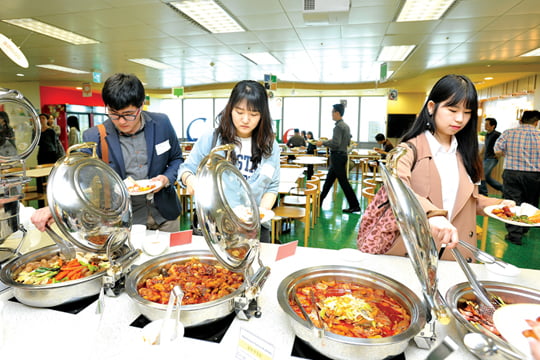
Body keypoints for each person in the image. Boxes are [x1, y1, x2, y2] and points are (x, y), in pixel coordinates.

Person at [32, 73, 183, 233]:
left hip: (167, 214)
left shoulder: (161, 124)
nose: (121, 121)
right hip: (124, 219)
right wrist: (56, 206)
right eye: (114, 114)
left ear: (140, 107)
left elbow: (176, 159)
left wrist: (166, 178)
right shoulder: (94, 136)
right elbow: (77, 176)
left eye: (128, 114)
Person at [388, 74, 515, 261]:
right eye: (452, 110)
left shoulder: (467, 154)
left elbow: (468, 202)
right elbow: (397, 191)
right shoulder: (408, 150)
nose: (460, 119)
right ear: (431, 107)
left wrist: (499, 205)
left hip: (457, 252)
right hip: (418, 252)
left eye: (467, 112)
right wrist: (432, 214)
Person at [178, 80, 280, 243]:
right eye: (239, 112)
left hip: (253, 230)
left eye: (254, 114)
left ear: (263, 115)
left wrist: (260, 213)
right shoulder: (211, 139)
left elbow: (272, 187)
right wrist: (192, 180)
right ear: (230, 109)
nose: (245, 119)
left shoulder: (270, 146)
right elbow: (185, 169)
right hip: (215, 227)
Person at [494, 110, 540, 245]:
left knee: (513, 202)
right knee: (530, 202)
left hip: (512, 172)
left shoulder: (509, 132)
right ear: (536, 122)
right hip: (534, 175)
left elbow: (497, 150)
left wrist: (507, 154)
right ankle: (525, 227)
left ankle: (514, 234)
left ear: (521, 120)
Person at [316, 104, 360, 213]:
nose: (331, 114)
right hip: (341, 155)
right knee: (328, 180)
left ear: (337, 113)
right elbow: (347, 142)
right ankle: (319, 201)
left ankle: (355, 205)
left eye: (332, 112)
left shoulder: (338, 127)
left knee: (343, 182)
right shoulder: (346, 126)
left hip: (337, 156)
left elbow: (335, 144)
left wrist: (323, 143)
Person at [478, 117, 503, 195]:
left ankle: (483, 193)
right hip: (486, 158)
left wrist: (499, 155)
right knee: (487, 178)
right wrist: (479, 155)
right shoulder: (487, 134)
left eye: (487, 124)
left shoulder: (497, 134)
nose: (485, 126)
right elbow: (485, 147)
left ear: (493, 126)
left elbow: (504, 145)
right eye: (484, 124)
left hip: (492, 158)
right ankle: (504, 189)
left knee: (482, 175)